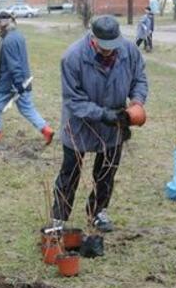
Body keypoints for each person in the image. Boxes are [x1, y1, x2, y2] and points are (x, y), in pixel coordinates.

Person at [49, 15, 148, 233]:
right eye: (104, 47)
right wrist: (103, 115)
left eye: (113, 46)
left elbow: (139, 78)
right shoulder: (72, 57)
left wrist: (137, 103)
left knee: (106, 172)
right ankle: (58, 219)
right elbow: (73, 99)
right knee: (70, 172)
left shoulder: (129, 51)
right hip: (79, 125)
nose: (109, 51)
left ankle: (97, 212)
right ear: (92, 38)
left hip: (115, 125)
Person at [0, 12, 54, 145]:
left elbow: (14, 64)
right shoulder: (18, 35)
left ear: (1, 24)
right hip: (22, 81)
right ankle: (46, 129)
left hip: (10, 82)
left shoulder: (8, 40)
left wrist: (18, 84)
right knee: (27, 108)